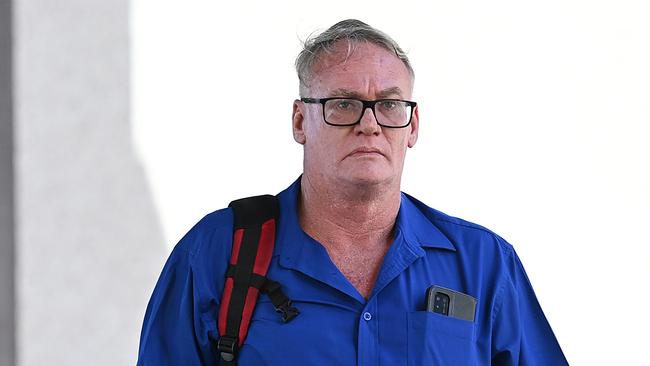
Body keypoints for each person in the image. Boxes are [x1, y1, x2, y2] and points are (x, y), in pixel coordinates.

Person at [137, 19, 568, 365]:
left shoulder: (484, 263)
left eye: (389, 104)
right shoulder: (220, 251)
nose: (370, 123)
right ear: (300, 122)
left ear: (412, 126)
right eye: (343, 103)